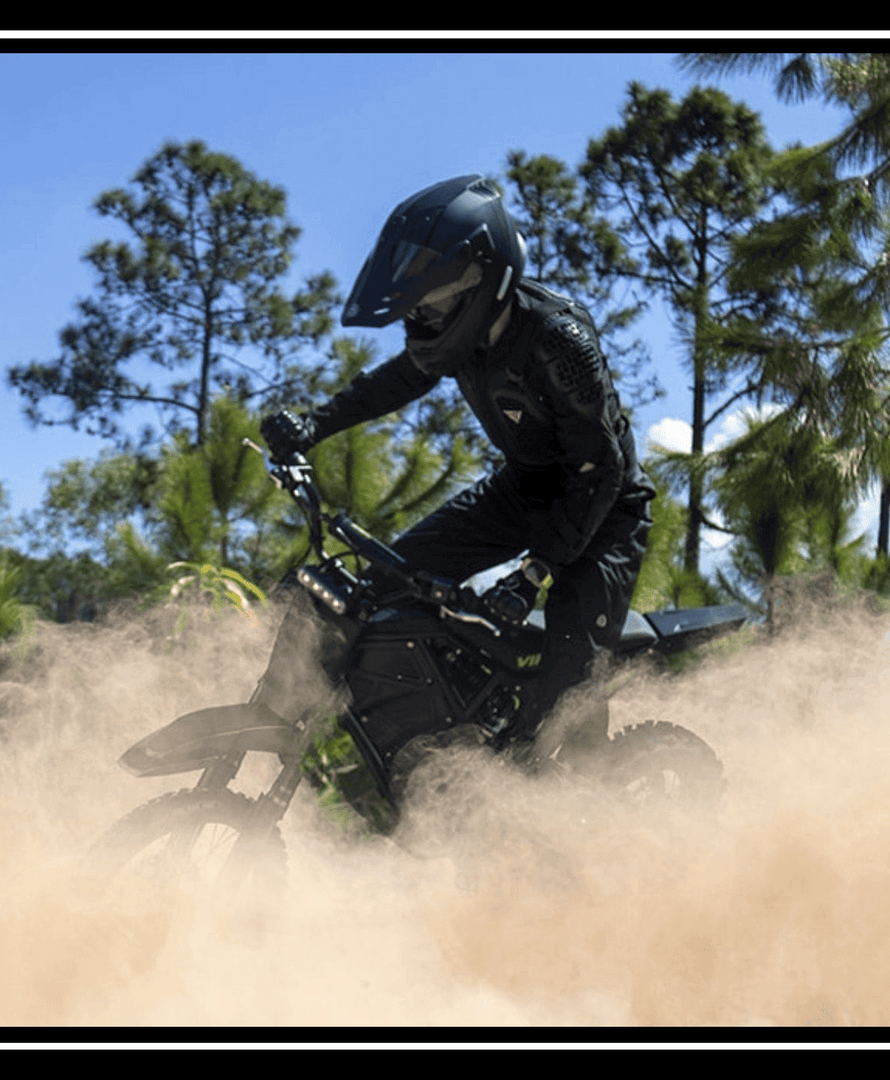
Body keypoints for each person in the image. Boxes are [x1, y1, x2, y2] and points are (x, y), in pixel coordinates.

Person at [257, 174, 655, 736]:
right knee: (380, 587)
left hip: (603, 509)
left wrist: (533, 572)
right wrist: (313, 425)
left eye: (431, 303)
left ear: (482, 277)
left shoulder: (557, 336)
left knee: (567, 689)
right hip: (522, 488)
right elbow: (395, 382)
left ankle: (585, 802)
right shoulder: (458, 335)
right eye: (415, 307)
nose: (420, 318)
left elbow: (601, 467)